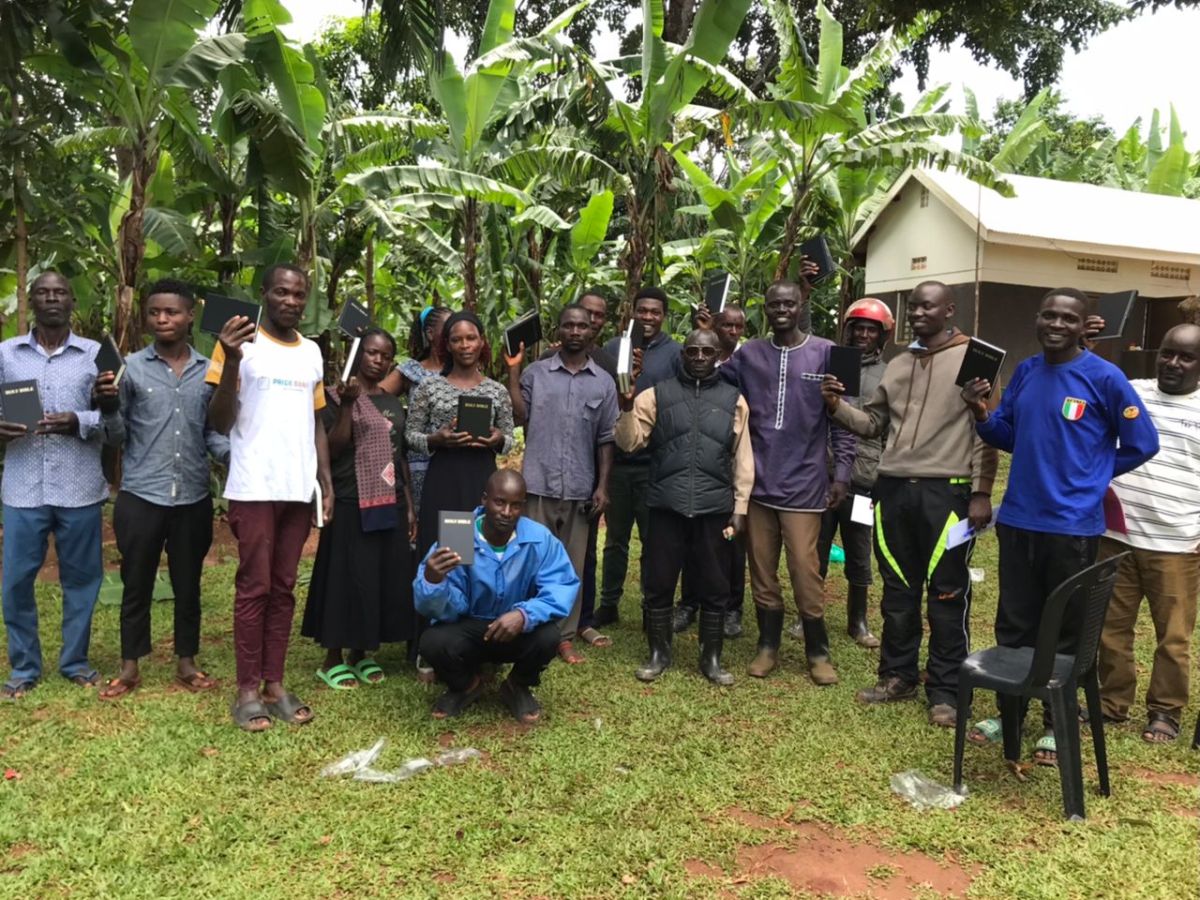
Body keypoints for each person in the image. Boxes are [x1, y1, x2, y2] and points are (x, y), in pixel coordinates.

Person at [962, 287, 1159, 761]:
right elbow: (1008, 434)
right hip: (1019, 520)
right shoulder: (1027, 372)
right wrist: (981, 413)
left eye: (1068, 318)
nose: (1056, 324)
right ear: (1038, 319)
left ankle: (1056, 720)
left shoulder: (1105, 377)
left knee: (1065, 629)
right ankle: (1009, 712)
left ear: (1083, 326)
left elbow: (1143, 442)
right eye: (1048, 315)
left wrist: (1094, 474)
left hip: (1073, 527)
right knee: (1015, 622)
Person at [822, 280, 997, 728]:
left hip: (948, 494)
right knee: (898, 590)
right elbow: (873, 423)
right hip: (893, 491)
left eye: (927, 307)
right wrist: (836, 405)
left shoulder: (975, 357)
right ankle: (897, 675)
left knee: (947, 592)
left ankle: (946, 691)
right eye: (913, 307)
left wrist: (981, 492)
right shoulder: (900, 364)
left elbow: (986, 428)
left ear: (949, 309)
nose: (918, 313)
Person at [207, 262, 334, 732]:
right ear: (263, 294)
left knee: (283, 587)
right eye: (282, 292)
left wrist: (325, 481)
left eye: (299, 294)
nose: (291, 301)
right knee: (254, 587)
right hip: (255, 486)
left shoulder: (312, 351)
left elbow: (316, 422)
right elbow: (219, 421)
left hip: (297, 489)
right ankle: (247, 690)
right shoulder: (237, 344)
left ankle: (275, 684)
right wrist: (231, 360)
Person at [94, 279, 229, 699]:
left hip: (192, 495)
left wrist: (239, 457)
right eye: (154, 312)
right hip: (141, 494)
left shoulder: (210, 370)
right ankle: (130, 666)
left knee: (189, 583)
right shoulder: (130, 368)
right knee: (136, 581)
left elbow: (212, 432)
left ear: (190, 316)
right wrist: (109, 406)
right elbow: (116, 436)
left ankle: (187, 662)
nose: (162, 319)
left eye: (171, 312)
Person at [719, 280, 854, 684]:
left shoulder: (828, 352)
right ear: (765, 308)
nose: (781, 310)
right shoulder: (749, 354)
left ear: (800, 306)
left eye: (789, 304)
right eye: (774, 304)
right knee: (761, 571)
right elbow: (710, 381)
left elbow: (843, 419)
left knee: (804, 571)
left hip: (805, 485)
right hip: (758, 485)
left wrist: (842, 474)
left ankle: (818, 652)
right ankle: (768, 646)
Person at [616, 329, 754, 685]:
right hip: (666, 504)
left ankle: (711, 659)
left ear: (717, 355)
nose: (699, 357)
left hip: (714, 508)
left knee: (715, 585)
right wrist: (627, 406)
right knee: (658, 582)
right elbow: (629, 443)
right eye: (692, 351)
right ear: (683, 354)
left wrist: (740, 508)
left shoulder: (734, 399)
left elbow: (743, 459)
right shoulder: (655, 395)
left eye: (706, 351)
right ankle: (658, 654)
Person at [0, 272, 108, 699]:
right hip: (22, 487)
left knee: (82, 580)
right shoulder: (6, 354)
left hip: (79, 488)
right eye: (43, 292)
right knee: (15, 581)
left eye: (60, 292)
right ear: (31, 300)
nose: (51, 298)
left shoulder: (95, 355)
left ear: (71, 301)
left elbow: (116, 419)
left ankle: (75, 661)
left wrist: (78, 420)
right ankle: (24, 667)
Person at [1098, 324, 1200, 744]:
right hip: (1116, 536)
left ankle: (1165, 711)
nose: (1172, 363)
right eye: (1167, 353)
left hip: (1176, 543)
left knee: (1173, 636)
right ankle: (1111, 702)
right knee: (1109, 627)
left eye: (1186, 357)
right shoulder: (1132, 393)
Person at [302, 328, 417, 689]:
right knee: (345, 577)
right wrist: (349, 405)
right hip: (351, 497)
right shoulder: (334, 397)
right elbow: (333, 447)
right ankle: (332, 657)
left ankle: (361, 652)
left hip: (389, 499)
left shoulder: (392, 401)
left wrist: (408, 504)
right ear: (358, 354)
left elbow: (400, 455)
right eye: (371, 352)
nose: (378, 360)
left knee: (376, 578)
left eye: (386, 356)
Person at [414, 469, 578, 723]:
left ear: (523, 506)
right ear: (484, 500)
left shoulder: (539, 539)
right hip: (470, 628)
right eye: (499, 502)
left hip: (516, 629)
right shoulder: (459, 534)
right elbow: (436, 609)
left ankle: (517, 685)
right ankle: (466, 685)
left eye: (515, 505)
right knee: (433, 641)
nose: (506, 512)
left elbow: (561, 586)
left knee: (548, 636)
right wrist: (434, 581)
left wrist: (524, 614)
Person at [506, 304, 617, 664]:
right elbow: (518, 414)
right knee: (530, 562)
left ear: (591, 332)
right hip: (537, 484)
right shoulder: (536, 374)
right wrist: (513, 371)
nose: (575, 332)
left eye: (581, 326)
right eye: (568, 325)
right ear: (559, 329)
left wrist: (602, 486)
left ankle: (564, 637)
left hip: (580, 488)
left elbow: (606, 439)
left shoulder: (603, 382)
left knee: (570, 568)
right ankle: (530, 629)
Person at [803, 297, 894, 650]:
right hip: (823, 474)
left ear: (882, 335)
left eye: (871, 330)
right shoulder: (833, 364)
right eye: (858, 329)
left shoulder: (888, 374)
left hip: (865, 478)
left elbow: (888, 428)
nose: (863, 335)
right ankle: (808, 613)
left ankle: (858, 620)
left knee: (859, 548)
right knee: (817, 547)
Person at [594, 287, 681, 626]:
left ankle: (651, 605)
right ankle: (608, 602)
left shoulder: (675, 353)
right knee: (615, 539)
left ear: (664, 316)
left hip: (654, 463)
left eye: (655, 312)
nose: (648, 317)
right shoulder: (615, 347)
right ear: (633, 311)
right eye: (642, 310)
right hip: (617, 462)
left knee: (653, 540)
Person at [406, 310, 515, 560]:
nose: (465, 345)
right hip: (444, 478)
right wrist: (437, 439)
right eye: (457, 339)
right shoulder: (430, 386)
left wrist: (498, 439)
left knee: (479, 553)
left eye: (471, 338)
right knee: (449, 555)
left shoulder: (496, 390)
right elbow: (410, 436)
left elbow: (509, 440)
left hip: (481, 479)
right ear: (447, 345)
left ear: (482, 342)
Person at [674, 303, 748, 638]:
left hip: (729, 460)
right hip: (696, 462)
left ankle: (731, 607)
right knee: (693, 539)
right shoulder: (699, 355)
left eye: (737, 326)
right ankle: (689, 602)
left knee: (730, 542)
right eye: (726, 325)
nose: (732, 330)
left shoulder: (746, 360)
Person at [382, 305, 451, 512]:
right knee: (422, 519)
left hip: (455, 462)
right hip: (419, 464)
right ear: (430, 334)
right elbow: (375, 397)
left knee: (455, 523)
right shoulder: (412, 371)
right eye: (448, 328)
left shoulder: (464, 371)